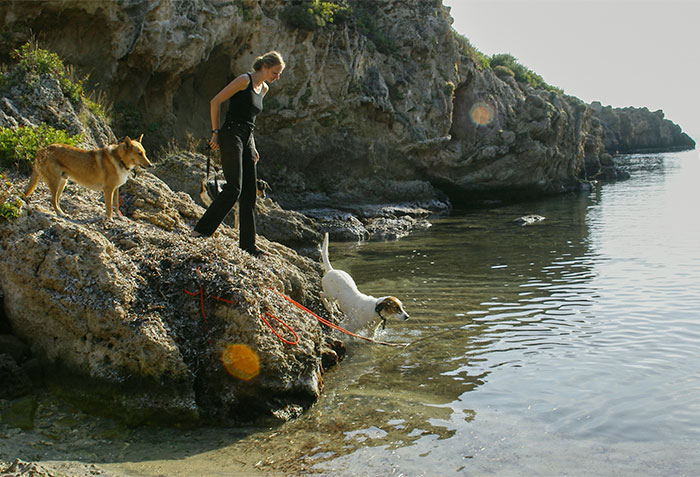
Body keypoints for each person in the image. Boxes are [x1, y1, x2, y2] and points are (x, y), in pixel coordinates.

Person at [192, 51, 285, 257]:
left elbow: (251, 120)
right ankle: (201, 231)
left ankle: (248, 245)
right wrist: (215, 133)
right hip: (230, 133)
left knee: (250, 193)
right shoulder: (244, 80)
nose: (277, 77)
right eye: (275, 72)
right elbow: (215, 102)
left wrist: (254, 146)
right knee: (234, 187)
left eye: (278, 74)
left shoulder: (264, 89)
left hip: (247, 138)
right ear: (264, 66)